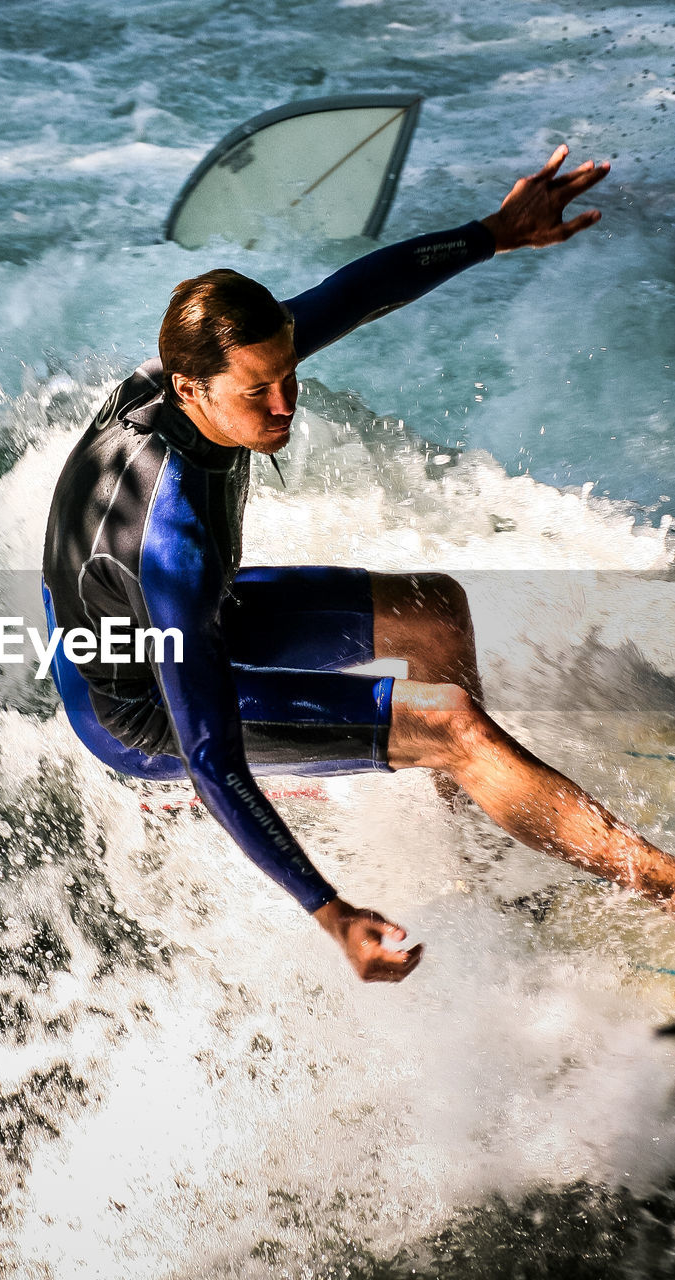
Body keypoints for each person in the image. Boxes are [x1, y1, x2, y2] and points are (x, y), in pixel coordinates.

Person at [42, 145, 675, 983]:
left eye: (287, 377)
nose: (282, 406)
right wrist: (328, 910)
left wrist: (492, 233)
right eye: (257, 394)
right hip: (143, 703)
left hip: (174, 618)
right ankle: (660, 883)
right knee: (447, 721)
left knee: (434, 608)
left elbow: (357, 294)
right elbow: (209, 753)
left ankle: (481, 838)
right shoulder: (174, 542)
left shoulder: (202, 366)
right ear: (190, 392)